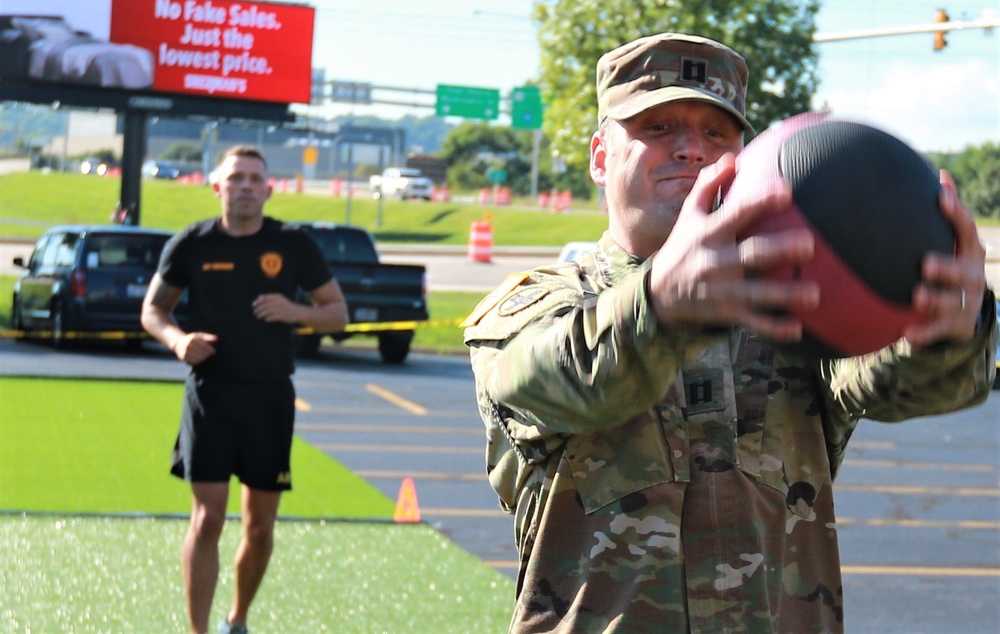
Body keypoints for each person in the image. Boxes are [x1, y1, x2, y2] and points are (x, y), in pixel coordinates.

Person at [463, 32, 997, 633]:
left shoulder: (792, 311)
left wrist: (947, 330)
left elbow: (902, 383)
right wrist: (663, 304)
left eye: (716, 133)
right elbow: (549, 379)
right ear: (599, 157)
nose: (691, 149)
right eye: (658, 127)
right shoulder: (539, 305)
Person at [141, 145, 349, 634]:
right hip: (210, 395)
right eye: (236, 178)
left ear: (269, 188)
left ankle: (237, 619)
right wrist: (177, 340)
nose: (247, 186)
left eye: (256, 178)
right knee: (208, 519)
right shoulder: (191, 243)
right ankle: (197, 630)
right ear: (218, 187)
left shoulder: (294, 245)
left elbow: (337, 313)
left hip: (270, 398)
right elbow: (154, 310)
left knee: (259, 527)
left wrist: (296, 311)